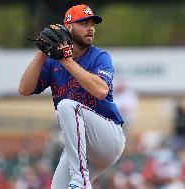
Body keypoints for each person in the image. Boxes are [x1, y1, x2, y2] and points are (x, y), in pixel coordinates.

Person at [18, 4, 125, 189]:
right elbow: (24, 89)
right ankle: (79, 181)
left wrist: (66, 61)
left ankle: (80, 181)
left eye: (92, 23)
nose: (90, 28)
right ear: (68, 27)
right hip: (79, 145)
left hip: (108, 137)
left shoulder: (100, 57)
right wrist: (43, 53)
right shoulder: (52, 63)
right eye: (83, 23)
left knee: (67, 105)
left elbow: (101, 91)